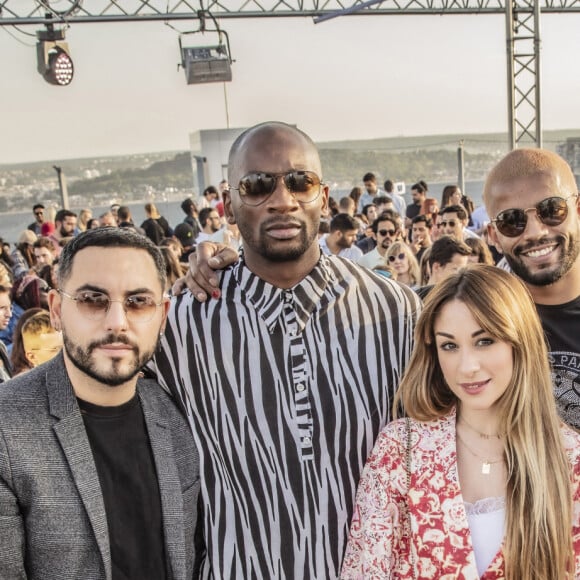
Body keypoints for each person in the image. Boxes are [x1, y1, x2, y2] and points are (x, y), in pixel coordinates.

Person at [152, 121, 420, 578]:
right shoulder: (180, 324)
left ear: (323, 195)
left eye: (301, 182)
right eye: (257, 185)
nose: (282, 200)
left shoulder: (397, 313)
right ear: (228, 204)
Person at [342, 266, 580, 579]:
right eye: (449, 346)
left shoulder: (569, 460)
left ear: (519, 342)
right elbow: (365, 569)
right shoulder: (401, 449)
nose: (467, 366)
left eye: (484, 341)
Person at [0, 228, 200, 579]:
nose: (117, 323)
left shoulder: (180, 412)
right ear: (57, 310)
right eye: (93, 299)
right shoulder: (8, 428)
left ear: (162, 314)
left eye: (139, 302)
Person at [484, 148, 580, 429]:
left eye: (552, 210)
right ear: (493, 235)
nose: (536, 232)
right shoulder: (481, 318)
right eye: (511, 221)